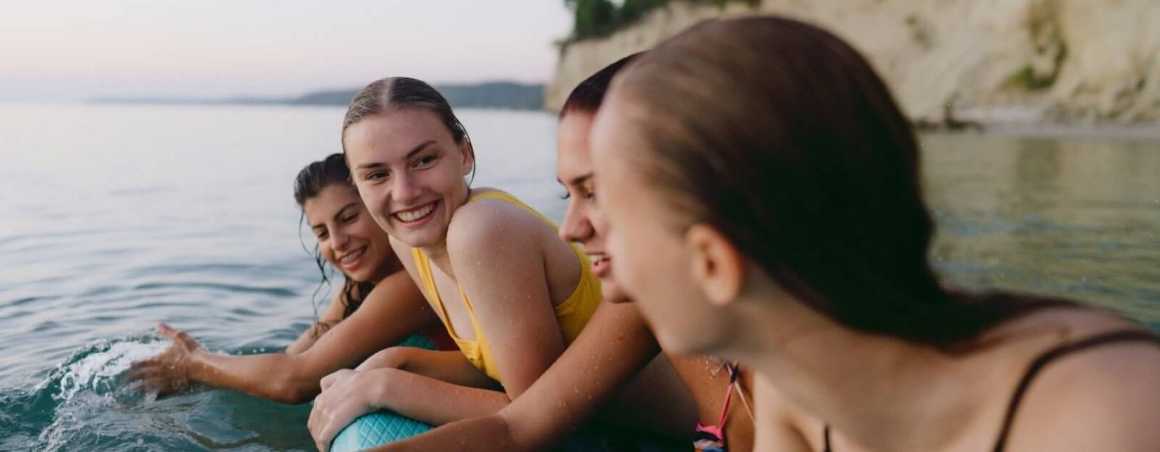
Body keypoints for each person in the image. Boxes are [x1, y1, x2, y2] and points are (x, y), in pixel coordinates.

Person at [589, 15, 1160, 451]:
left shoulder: (1110, 416)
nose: (588, 235)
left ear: (713, 262)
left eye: (614, 214)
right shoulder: (800, 389)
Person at [367, 57, 755, 452]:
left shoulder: (796, 367)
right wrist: (393, 368)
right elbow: (518, 428)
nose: (569, 228)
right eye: (568, 195)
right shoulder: (641, 302)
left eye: (594, 193)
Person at [129, 154, 448, 404]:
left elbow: (296, 381)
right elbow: (291, 358)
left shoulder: (412, 282)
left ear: (378, 205)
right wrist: (204, 366)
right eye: (321, 232)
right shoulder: (357, 288)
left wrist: (196, 365)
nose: (337, 242)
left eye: (348, 218)